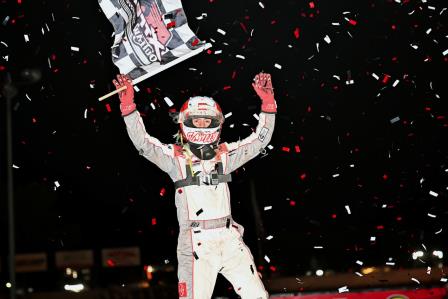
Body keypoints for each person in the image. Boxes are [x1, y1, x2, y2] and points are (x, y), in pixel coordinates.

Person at [113, 72, 276, 299]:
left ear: (217, 124)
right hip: (195, 242)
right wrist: (128, 105)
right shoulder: (175, 158)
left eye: (206, 121)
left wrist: (268, 104)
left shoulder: (225, 155)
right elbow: (143, 142)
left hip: (230, 239)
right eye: (196, 121)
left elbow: (260, 140)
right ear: (183, 123)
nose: (201, 126)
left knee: (258, 297)